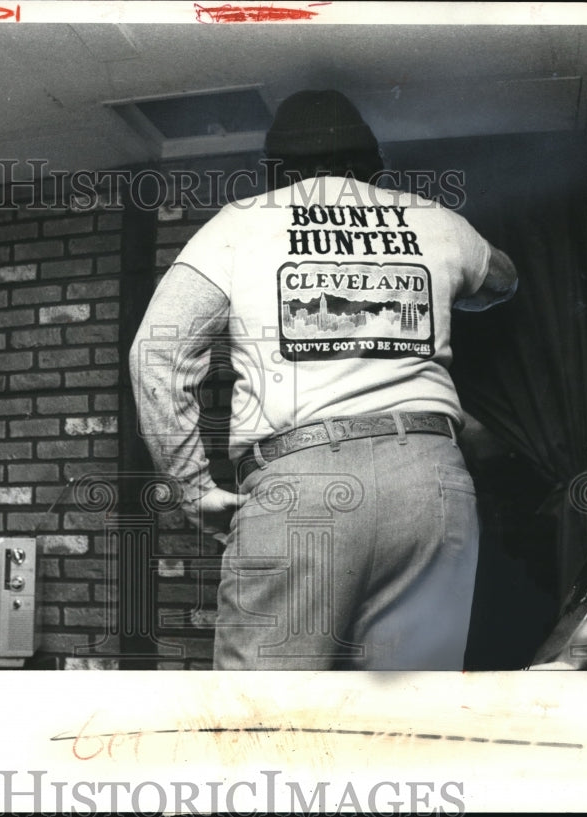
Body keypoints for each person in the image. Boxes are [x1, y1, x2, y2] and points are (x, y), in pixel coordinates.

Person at [130, 90, 517, 670]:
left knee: (263, 720)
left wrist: (192, 488)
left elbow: (154, 355)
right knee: (407, 720)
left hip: (300, 488)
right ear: (371, 159)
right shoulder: (432, 218)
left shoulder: (240, 224)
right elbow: (503, 280)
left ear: (276, 169)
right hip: (430, 484)